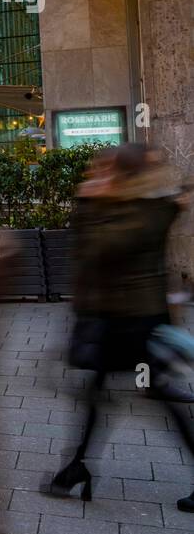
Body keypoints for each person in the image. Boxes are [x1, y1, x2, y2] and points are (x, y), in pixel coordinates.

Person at [50, 144, 194, 513]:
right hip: (122, 317)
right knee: (100, 394)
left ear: (124, 174)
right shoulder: (148, 204)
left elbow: (101, 248)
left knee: (150, 398)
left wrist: (88, 204)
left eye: (107, 169)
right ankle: (77, 465)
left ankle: (76, 467)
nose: (99, 175)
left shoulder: (145, 211)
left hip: (133, 321)